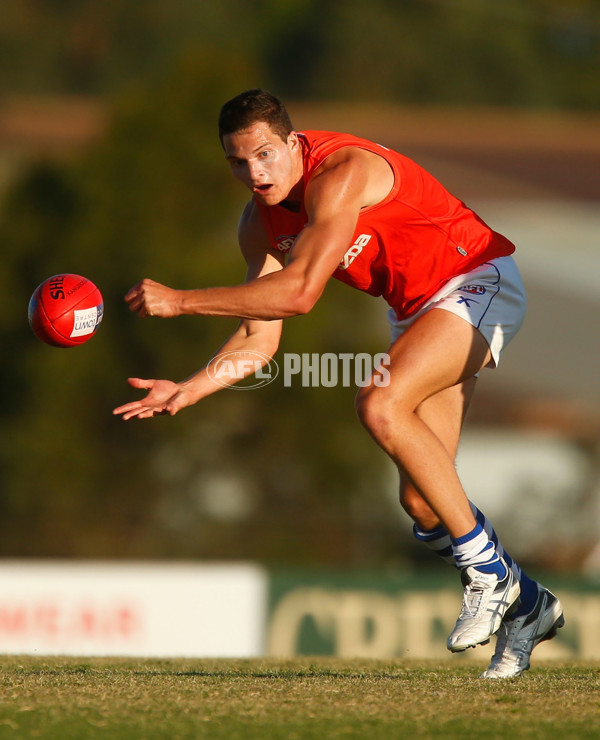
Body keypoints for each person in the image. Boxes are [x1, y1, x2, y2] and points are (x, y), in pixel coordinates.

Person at [113, 89, 564, 678]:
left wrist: (180, 302)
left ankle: (492, 576)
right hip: (419, 311)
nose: (255, 173)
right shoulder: (259, 224)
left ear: (293, 142)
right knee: (422, 503)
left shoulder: (341, 173)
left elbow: (298, 295)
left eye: (266, 154)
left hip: (474, 277)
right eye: (238, 161)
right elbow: (260, 337)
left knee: (380, 403)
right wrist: (190, 389)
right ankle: (530, 605)